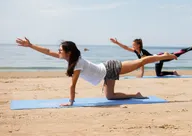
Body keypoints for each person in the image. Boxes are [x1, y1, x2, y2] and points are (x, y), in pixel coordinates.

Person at [15, 37, 177, 106]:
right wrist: (30, 46)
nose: (58, 52)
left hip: (110, 68)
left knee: (140, 61)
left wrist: (71, 102)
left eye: (60, 50)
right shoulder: (70, 59)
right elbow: (47, 51)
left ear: (68, 52)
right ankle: (136, 95)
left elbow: (72, 86)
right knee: (110, 97)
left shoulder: (76, 63)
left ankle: (164, 56)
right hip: (106, 72)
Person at [109, 38, 192, 77]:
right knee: (158, 74)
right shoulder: (136, 51)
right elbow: (125, 47)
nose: (132, 46)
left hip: (159, 57)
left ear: (138, 45)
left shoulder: (142, 52)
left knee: (177, 54)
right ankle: (173, 72)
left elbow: (142, 63)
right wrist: (117, 43)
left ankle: (191, 47)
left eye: (133, 45)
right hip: (157, 60)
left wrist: (142, 73)